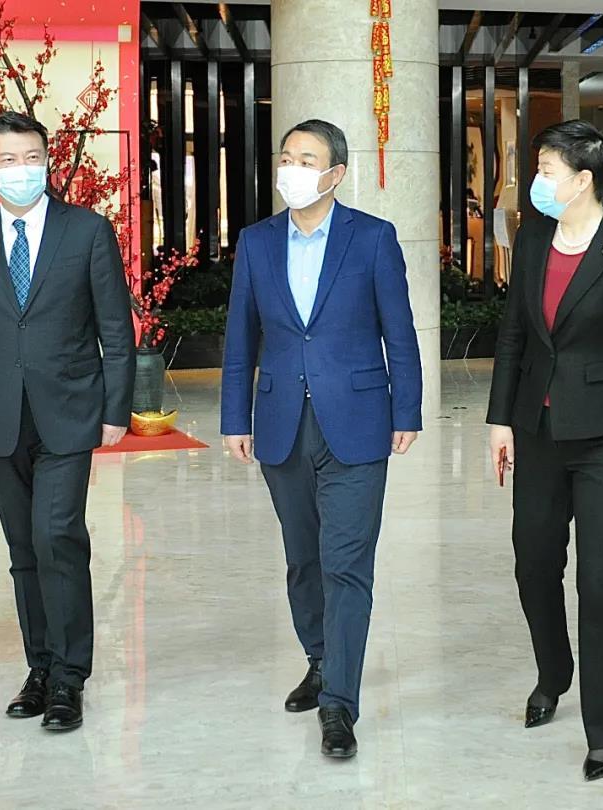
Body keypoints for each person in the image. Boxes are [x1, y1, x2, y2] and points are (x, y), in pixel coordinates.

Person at [221, 119, 422, 760]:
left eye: (307, 159)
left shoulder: (373, 237)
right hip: (281, 421)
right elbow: (239, 338)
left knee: (346, 565)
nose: (293, 168)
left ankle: (339, 703)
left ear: (335, 173)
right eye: (287, 156)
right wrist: (234, 418)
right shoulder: (256, 242)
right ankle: (319, 658)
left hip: (358, 420)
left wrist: (408, 410)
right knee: (303, 560)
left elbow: (400, 331)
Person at [487, 120, 603, 782]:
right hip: (537, 431)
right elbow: (514, 334)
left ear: (583, 178)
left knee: (599, 582)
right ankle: (553, 671)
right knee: (534, 565)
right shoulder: (535, 237)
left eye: (546, 170)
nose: (537, 181)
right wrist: (500, 420)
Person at [0, 112, 135, 732]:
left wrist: (115, 408)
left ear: (48, 161)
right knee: (23, 548)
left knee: (57, 536)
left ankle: (70, 676)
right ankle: (41, 668)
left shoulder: (87, 231)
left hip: (70, 410)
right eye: (8, 160)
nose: (21, 170)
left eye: (32, 158)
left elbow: (115, 328)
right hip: (0, 416)